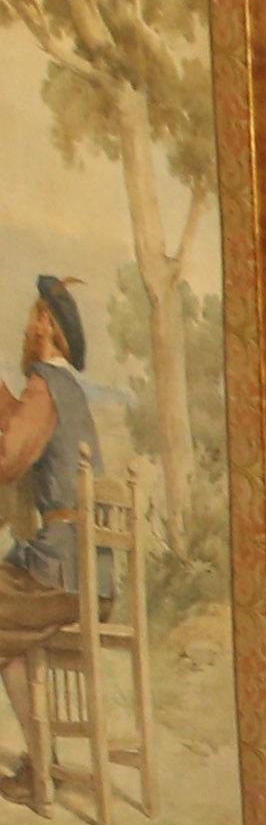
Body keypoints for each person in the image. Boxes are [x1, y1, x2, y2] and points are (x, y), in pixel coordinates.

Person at [0, 277, 99, 795]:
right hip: (90, 571)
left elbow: (9, 459)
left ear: (49, 329)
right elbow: (21, 426)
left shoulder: (45, 386)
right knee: (7, 638)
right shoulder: (68, 390)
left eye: (38, 317)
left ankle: (41, 766)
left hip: (59, 569)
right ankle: (41, 763)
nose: (30, 325)